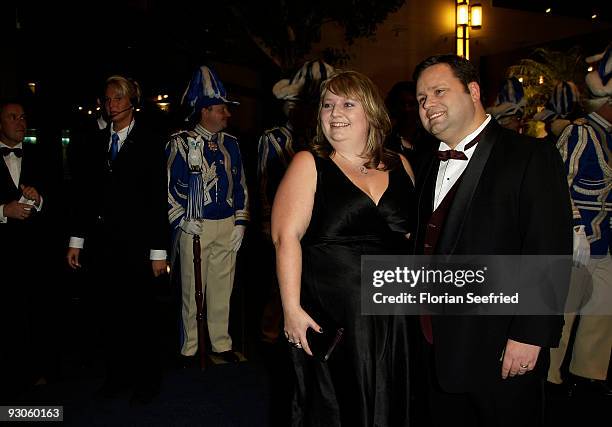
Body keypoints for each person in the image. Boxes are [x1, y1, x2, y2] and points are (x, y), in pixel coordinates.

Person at [413, 54, 572, 426]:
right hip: (433, 344)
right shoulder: (424, 162)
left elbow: (548, 247)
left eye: (438, 91)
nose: (428, 105)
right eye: (421, 99)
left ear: (473, 90)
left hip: (501, 345)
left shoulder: (530, 156)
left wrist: (530, 334)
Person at [273, 70, 415, 426]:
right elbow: (285, 238)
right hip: (336, 317)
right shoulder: (309, 163)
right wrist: (290, 309)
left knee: (394, 399)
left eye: (347, 103)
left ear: (370, 111)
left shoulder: (401, 164)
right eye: (327, 104)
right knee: (338, 406)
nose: (334, 112)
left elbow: (413, 239)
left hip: (396, 315)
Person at [66, 75, 169, 405]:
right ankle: (116, 377)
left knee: (141, 316)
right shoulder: (95, 142)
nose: (111, 105)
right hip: (103, 245)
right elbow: (84, 196)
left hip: (138, 246)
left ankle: (147, 381)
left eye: (117, 99)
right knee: (108, 314)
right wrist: (76, 241)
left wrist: (158, 251)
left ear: (131, 101)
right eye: (107, 99)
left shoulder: (151, 141)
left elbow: (156, 199)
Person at [167, 65, 249, 364]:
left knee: (222, 288)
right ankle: (190, 347)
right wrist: (182, 220)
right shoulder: (179, 143)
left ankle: (221, 342)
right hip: (195, 226)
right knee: (192, 290)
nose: (227, 114)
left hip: (226, 224)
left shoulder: (232, 145)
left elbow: (240, 184)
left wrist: (240, 221)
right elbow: (166, 189)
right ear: (204, 111)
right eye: (221, 109)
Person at [548, 44, 612, 397]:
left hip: (607, 244)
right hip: (577, 244)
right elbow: (557, 185)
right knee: (562, 320)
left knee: (603, 319)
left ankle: (587, 381)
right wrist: (574, 229)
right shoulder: (580, 133)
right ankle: (550, 383)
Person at [258, 59, 334, 344]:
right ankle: (273, 338)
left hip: (319, 227)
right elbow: (264, 184)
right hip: (287, 221)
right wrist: (268, 223)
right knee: (280, 290)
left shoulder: (327, 140)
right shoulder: (275, 139)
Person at [0, 100, 49, 401]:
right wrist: (3, 210)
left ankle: (36, 377)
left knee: (35, 316)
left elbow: (59, 200)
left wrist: (39, 199)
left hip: (33, 257)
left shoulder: (41, 156)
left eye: (23, 117)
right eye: (12, 117)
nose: (21, 122)